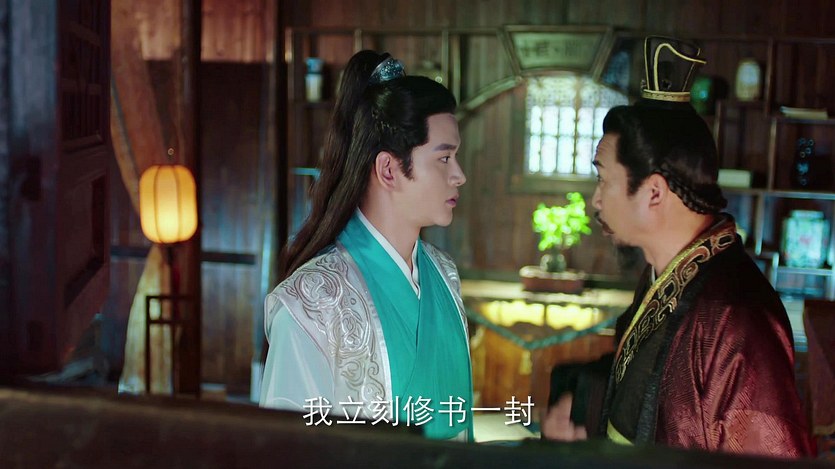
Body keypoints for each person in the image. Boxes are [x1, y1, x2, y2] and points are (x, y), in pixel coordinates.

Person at [541, 37, 815, 458]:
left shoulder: (736, 318)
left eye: (604, 180)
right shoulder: (665, 277)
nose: (596, 200)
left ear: (653, 192)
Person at [259, 50, 472, 441]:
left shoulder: (445, 276)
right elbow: (286, 449)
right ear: (389, 169)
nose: (459, 175)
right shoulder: (313, 302)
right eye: (444, 158)